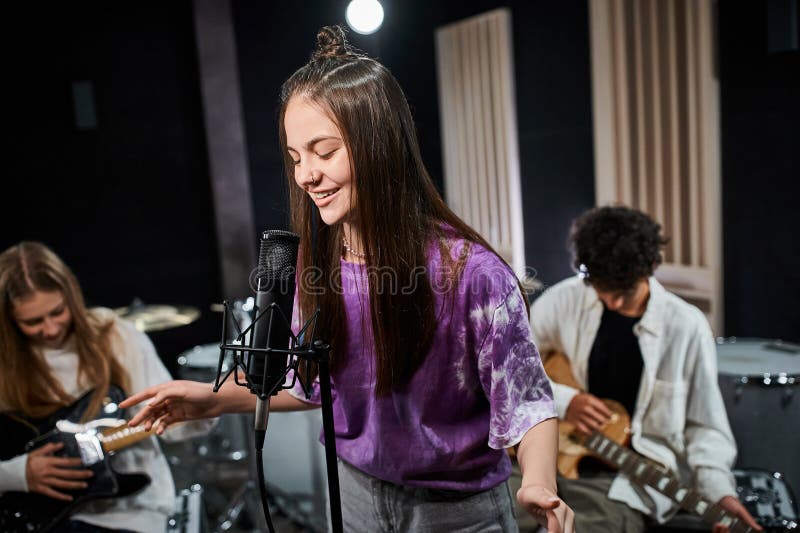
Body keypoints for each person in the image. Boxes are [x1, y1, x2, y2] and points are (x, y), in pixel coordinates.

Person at [119, 25, 575, 533]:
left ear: (379, 144)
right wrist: (210, 399)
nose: (305, 175)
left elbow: (528, 399)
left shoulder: (471, 273)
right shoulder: (321, 267)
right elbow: (311, 385)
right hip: (355, 495)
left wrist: (538, 481)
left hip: (455, 512)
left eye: (323, 151)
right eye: (295, 157)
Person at [527, 206, 760, 533]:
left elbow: (705, 427)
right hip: (547, 457)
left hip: (622, 484)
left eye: (624, 292)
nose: (614, 304)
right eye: (602, 290)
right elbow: (512, 372)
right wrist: (565, 402)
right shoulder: (564, 300)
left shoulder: (686, 326)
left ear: (650, 268)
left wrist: (719, 492)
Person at [0, 241, 212, 533]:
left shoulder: (114, 335)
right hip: (27, 514)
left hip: (128, 512)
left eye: (58, 312)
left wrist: (207, 406)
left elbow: (170, 424)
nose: (49, 329)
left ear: (71, 297)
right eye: (32, 322)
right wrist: (15, 474)